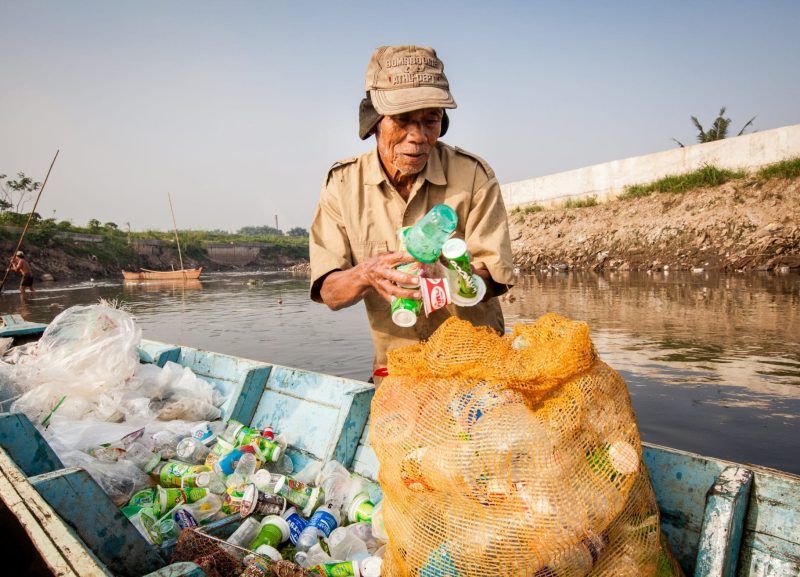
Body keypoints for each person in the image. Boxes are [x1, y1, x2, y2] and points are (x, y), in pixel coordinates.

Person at [309, 45, 514, 380]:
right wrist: (367, 274)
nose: (418, 137)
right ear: (374, 119)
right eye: (403, 120)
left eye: (430, 120)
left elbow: (493, 276)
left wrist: (451, 279)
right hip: (399, 374)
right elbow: (331, 293)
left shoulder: (474, 175)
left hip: (476, 367)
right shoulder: (342, 184)